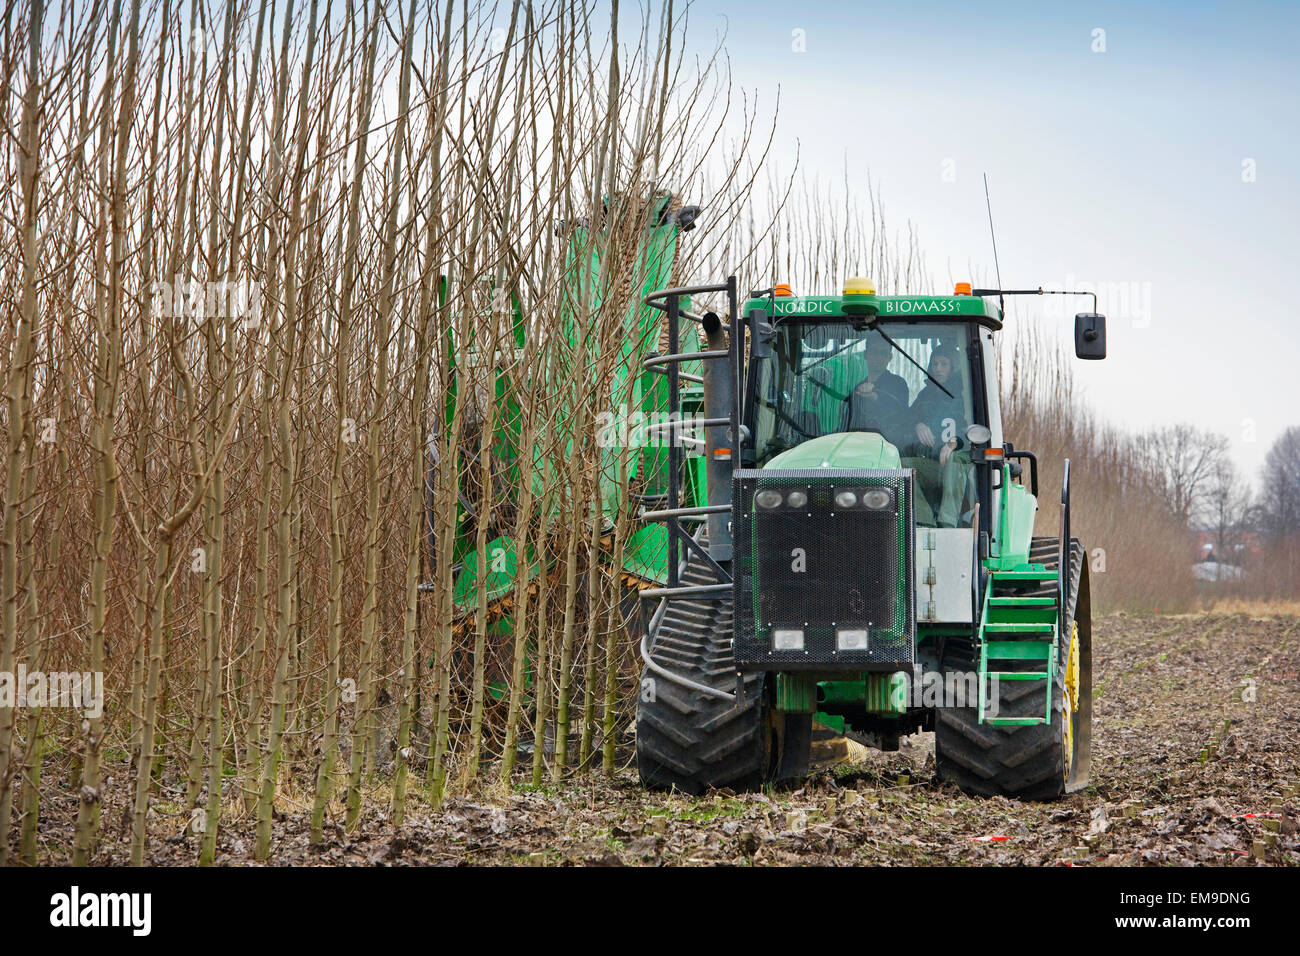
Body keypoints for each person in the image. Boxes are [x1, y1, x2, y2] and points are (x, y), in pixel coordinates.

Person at [907, 346, 971, 527]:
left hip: (961, 465)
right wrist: (917, 424)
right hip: (934, 463)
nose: (938, 368)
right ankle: (925, 520)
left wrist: (953, 443)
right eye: (934, 364)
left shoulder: (965, 394)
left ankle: (947, 523)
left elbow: (978, 428)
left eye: (944, 364)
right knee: (903, 467)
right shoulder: (925, 395)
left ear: (953, 367)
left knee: (953, 460)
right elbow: (906, 419)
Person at [841, 332, 910, 444]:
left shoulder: (898, 384)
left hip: (891, 447)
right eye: (874, 352)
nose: (878, 358)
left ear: (890, 357)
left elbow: (902, 415)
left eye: (883, 353)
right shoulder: (857, 389)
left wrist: (876, 397)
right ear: (865, 355)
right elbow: (848, 421)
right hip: (858, 444)